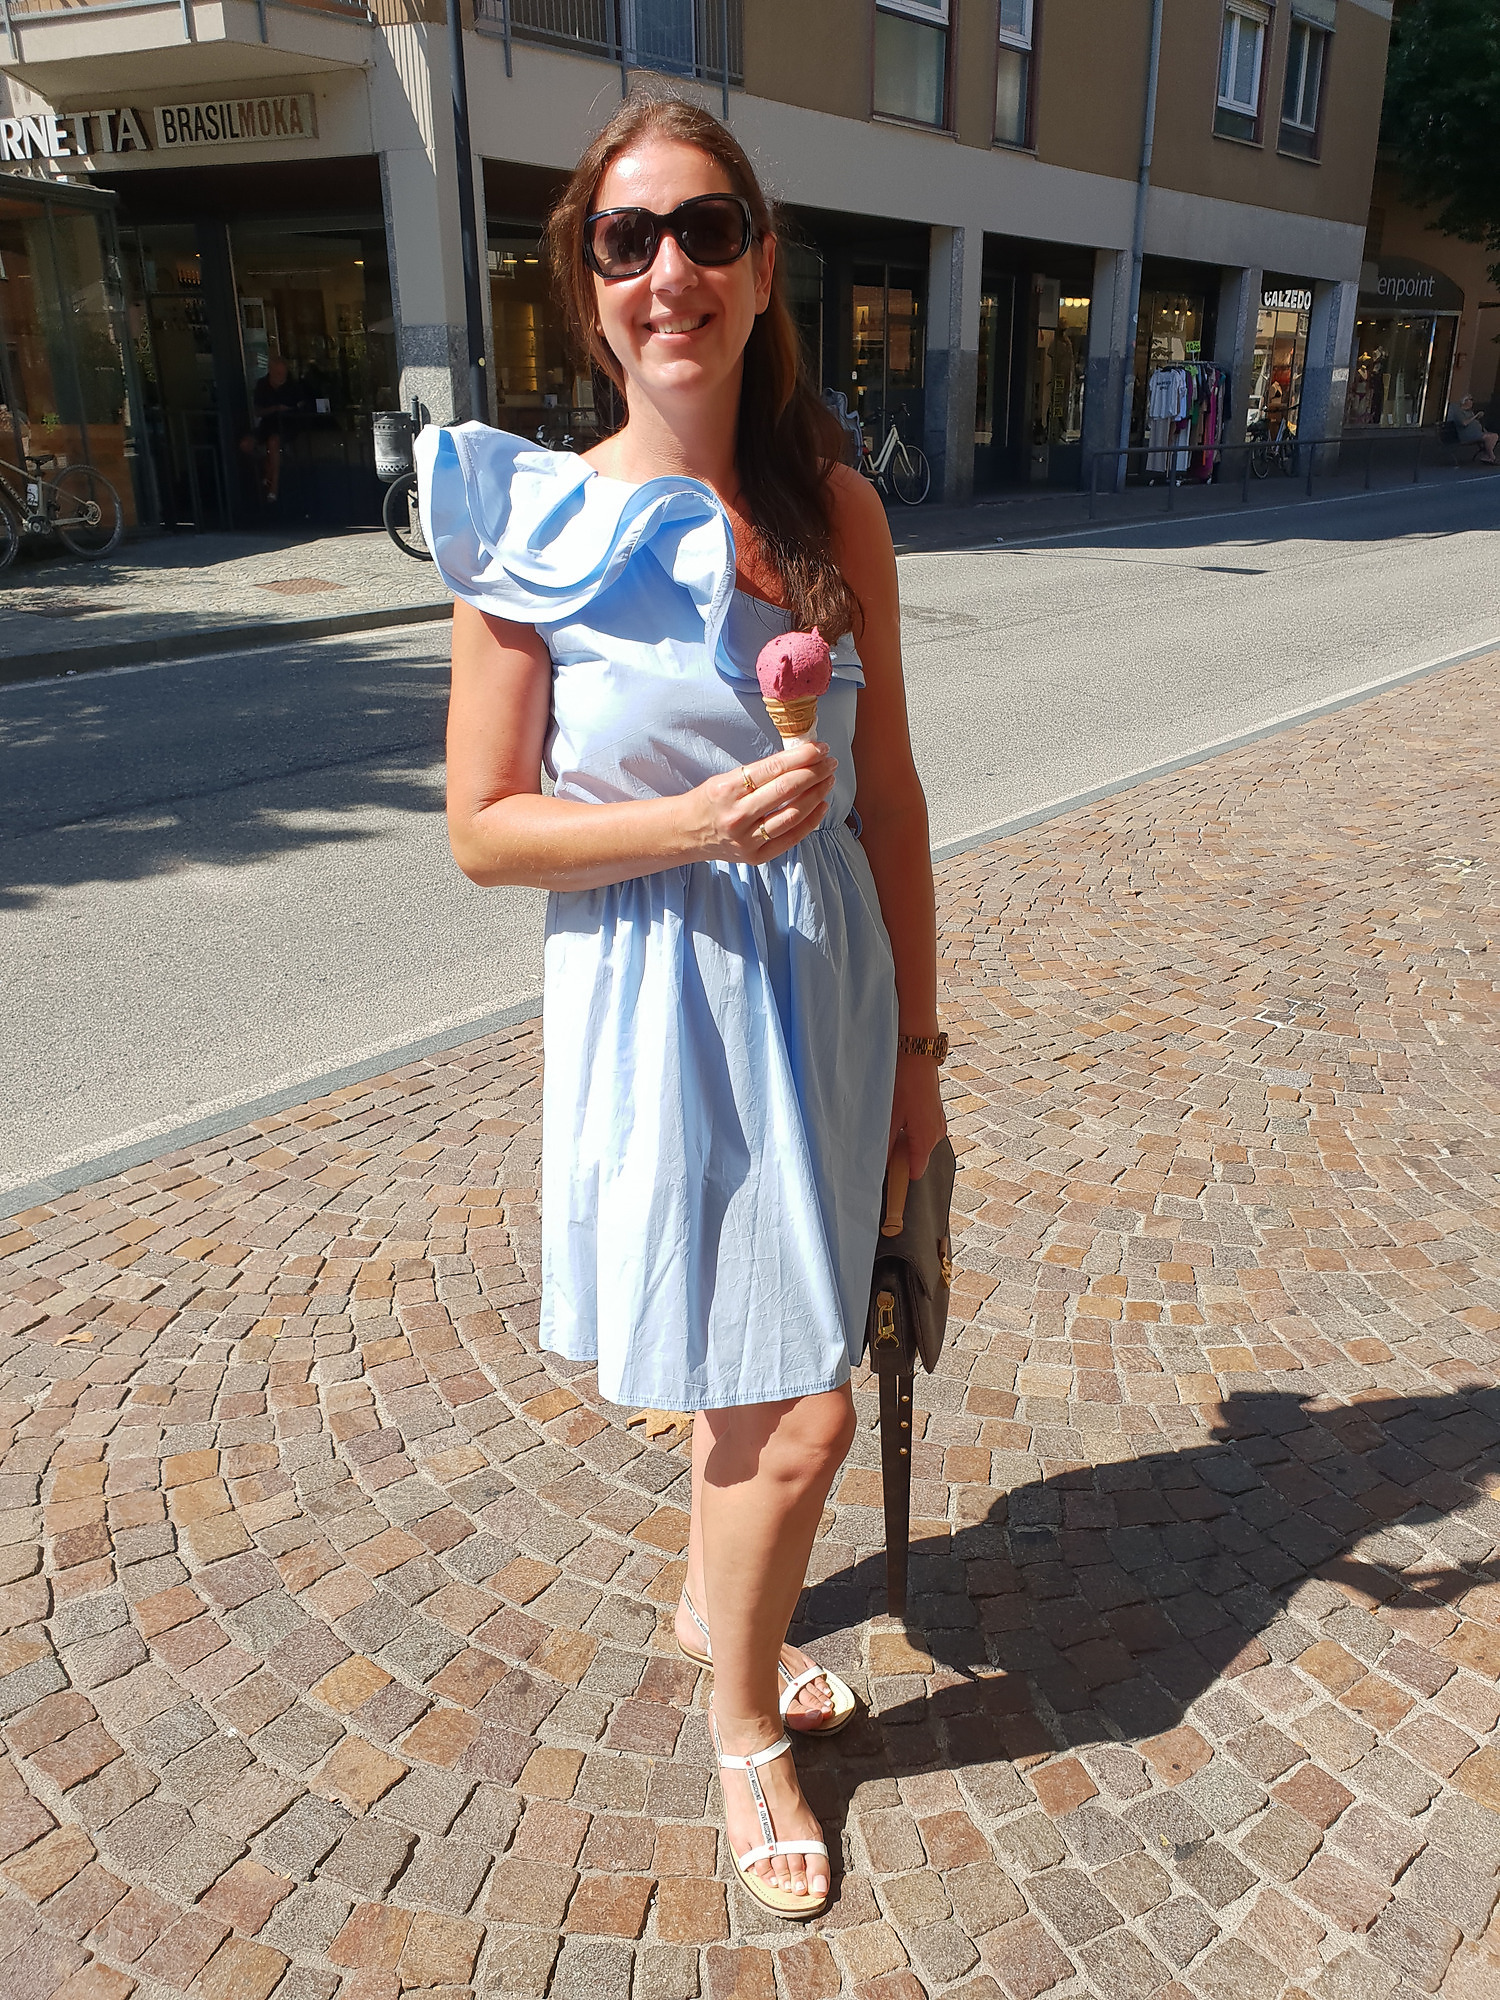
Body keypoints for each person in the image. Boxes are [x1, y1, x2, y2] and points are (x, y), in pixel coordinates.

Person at [416, 95, 944, 1919]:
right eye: (626, 238)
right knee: (796, 1416)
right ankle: (740, 1726)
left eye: (706, 230)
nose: (669, 271)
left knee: (760, 1396)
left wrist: (922, 1065)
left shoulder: (833, 507)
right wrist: (693, 822)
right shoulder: (531, 527)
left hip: (833, 1006)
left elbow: (892, 802)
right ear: (586, 282)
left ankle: (718, 1605)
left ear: (762, 263)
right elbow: (485, 828)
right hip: (664, 1015)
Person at [1446, 392, 1498, 465]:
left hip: (1477, 433)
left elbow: (1473, 421)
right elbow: (1464, 423)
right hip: (1467, 435)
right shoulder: (1459, 412)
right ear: (1465, 401)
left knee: (1494, 436)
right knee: (1489, 438)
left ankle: (1488, 455)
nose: (1472, 402)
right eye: (1471, 400)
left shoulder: (1470, 412)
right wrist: (1475, 416)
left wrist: (1478, 418)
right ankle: (1492, 457)